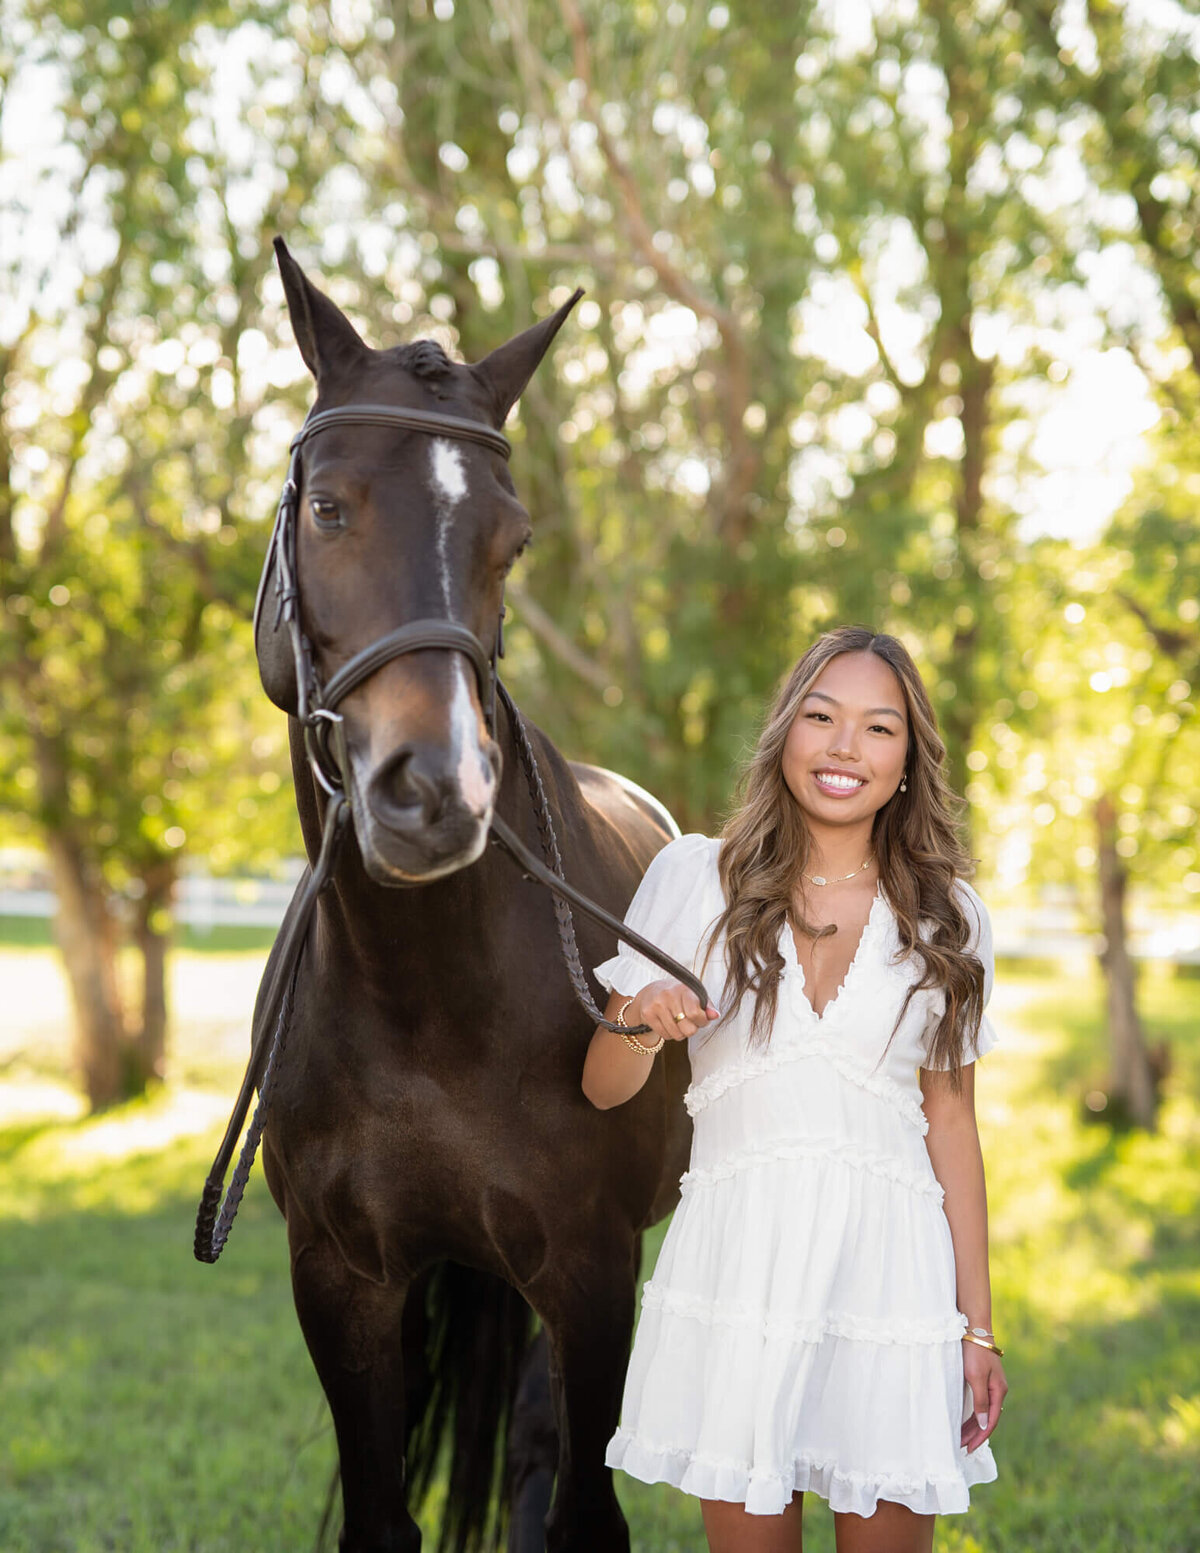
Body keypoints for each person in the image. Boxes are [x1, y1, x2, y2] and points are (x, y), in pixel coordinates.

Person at [582, 626, 1007, 1553]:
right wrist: (642, 1018)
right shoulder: (698, 878)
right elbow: (605, 1085)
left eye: (877, 727)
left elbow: (951, 1120)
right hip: (741, 1271)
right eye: (822, 716)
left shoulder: (948, 915)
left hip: (892, 1278)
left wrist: (978, 1331)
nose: (845, 746)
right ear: (785, 732)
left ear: (909, 759)